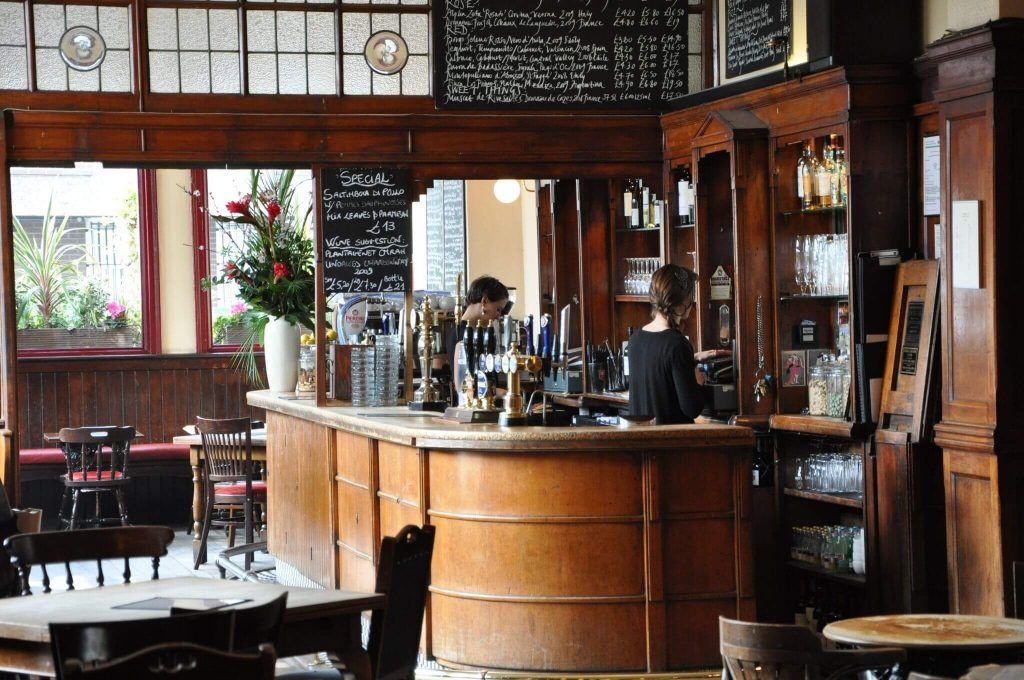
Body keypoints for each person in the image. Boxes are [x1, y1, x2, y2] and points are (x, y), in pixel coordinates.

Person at [627, 264, 728, 424]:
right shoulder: (677, 344)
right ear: (681, 301)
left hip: (642, 443)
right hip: (672, 443)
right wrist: (698, 382)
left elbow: (660, 369)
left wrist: (691, 359)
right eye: (690, 295)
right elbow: (692, 408)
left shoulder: (635, 340)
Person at [445, 275, 510, 404]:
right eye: (498, 309)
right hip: (474, 409)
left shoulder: (477, 332)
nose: (499, 315)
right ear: (484, 301)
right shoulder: (461, 335)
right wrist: (507, 394)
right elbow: (463, 386)